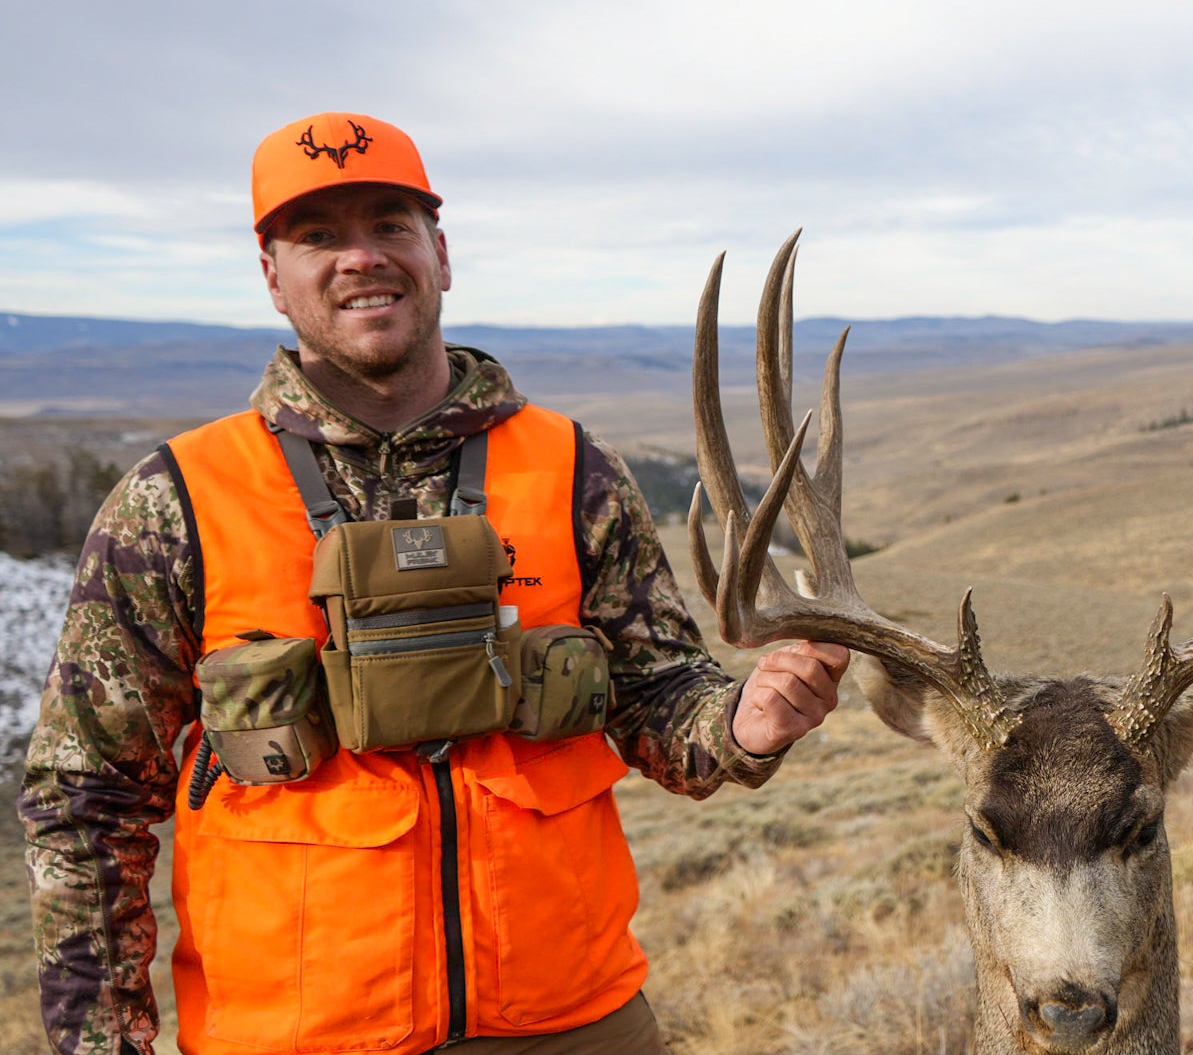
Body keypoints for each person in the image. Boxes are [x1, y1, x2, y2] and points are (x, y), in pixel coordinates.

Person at [17, 111, 850, 1055]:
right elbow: (86, 800)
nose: (360, 257)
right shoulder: (173, 502)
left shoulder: (574, 467)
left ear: (440, 253)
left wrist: (742, 722)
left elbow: (655, 693)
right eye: (319, 235)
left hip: (573, 1020)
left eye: (390, 225)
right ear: (272, 278)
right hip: (295, 1036)